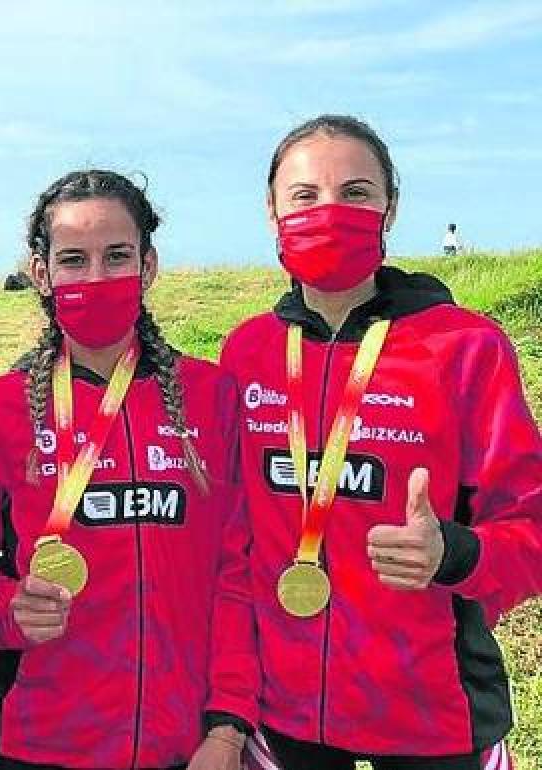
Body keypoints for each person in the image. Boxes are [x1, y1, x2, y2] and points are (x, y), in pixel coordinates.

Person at [222, 114, 542, 770]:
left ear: (389, 209)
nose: (330, 212)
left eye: (357, 193)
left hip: (434, 716)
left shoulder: (466, 348)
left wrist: (455, 552)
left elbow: (532, 525)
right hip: (285, 715)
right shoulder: (246, 352)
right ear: (271, 211)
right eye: (305, 196)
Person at [0, 170, 258, 770]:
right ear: (41, 273)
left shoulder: (212, 396)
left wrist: (227, 726)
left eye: (116, 256)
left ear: (147, 266)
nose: (96, 277)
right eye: (74, 259)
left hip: (185, 746)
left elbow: (238, 572)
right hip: (29, 746)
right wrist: (5, 605)